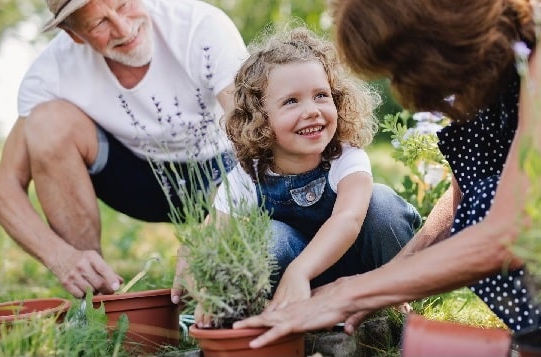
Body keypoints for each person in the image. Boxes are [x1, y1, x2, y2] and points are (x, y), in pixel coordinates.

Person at [233, 0, 541, 355]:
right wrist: (382, 283)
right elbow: (466, 207)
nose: (404, 87)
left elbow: (508, 231)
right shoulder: (509, 57)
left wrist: (345, 293)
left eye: (402, 65)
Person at [0, 0, 248, 299]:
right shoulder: (50, 73)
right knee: (47, 123)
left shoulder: (201, 25)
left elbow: (255, 140)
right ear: (73, 34)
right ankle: (96, 299)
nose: (124, 29)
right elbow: (4, 191)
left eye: (124, 4)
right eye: (99, 23)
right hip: (137, 181)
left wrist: (215, 227)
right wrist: (61, 257)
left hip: (222, 171)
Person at [180, 26, 422, 326]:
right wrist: (208, 288)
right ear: (260, 118)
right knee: (266, 237)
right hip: (291, 286)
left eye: (321, 95)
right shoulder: (248, 174)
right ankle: (281, 311)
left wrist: (301, 271)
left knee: (384, 204)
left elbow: (347, 219)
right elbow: (213, 235)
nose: (311, 111)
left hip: (360, 272)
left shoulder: (346, 158)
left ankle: (394, 299)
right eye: (291, 101)